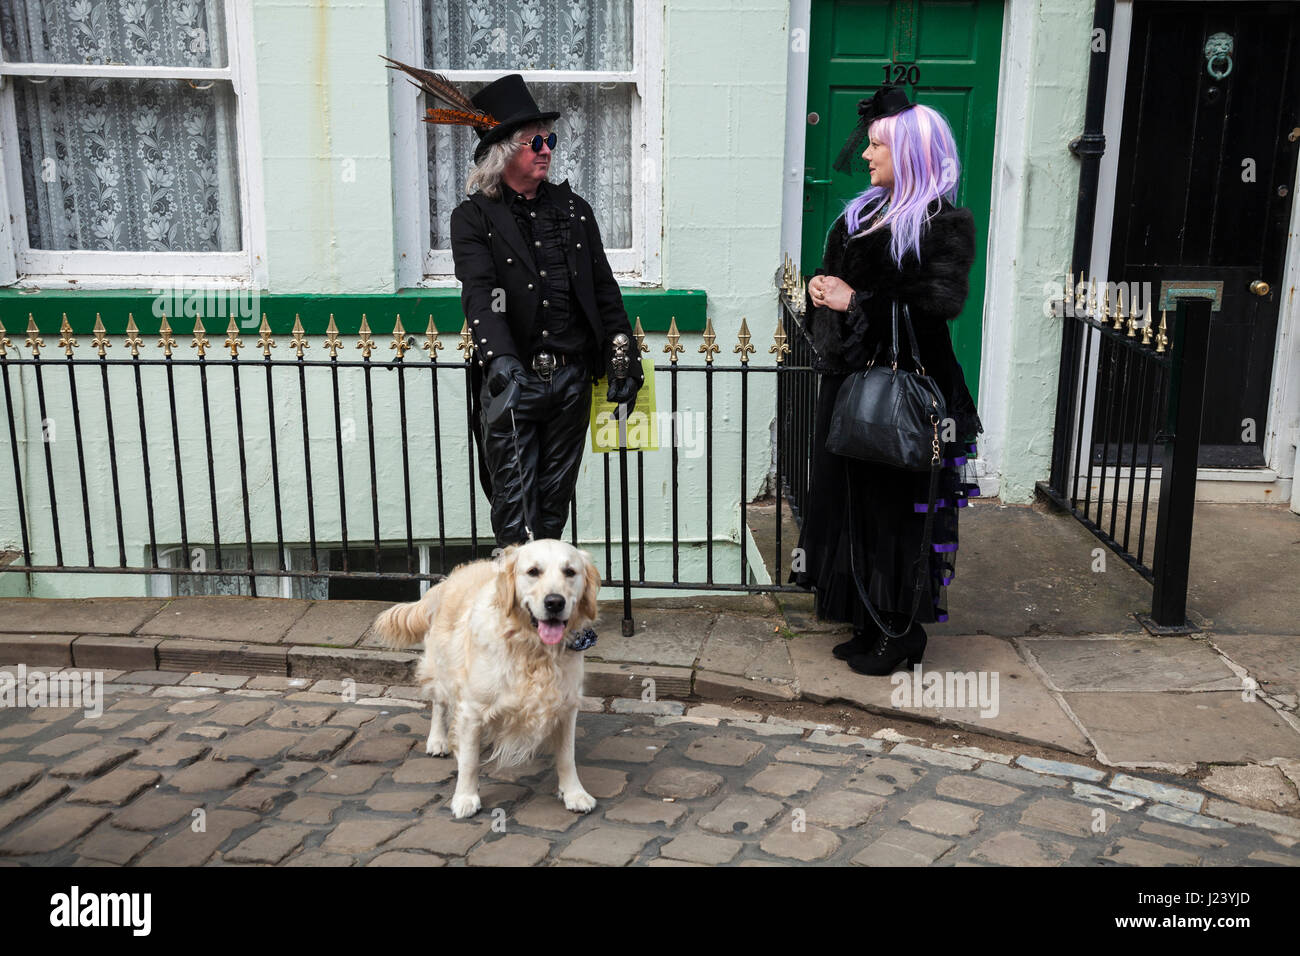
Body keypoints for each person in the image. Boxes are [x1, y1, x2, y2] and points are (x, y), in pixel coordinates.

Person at [409, 70, 642, 546]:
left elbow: (603, 289)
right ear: (502, 152)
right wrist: (502, 361)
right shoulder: (473, 217)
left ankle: (550, 620)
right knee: (514, 514)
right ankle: (515, 617)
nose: (546, 148)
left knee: (554, 510)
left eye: (549, 139)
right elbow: (480, 293)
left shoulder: (574, 210)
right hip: (512, 382)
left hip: (572, 379)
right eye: (534, 140)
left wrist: (624, 355)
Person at [794, 87, 981, 676]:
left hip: (906, 396)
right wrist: (819, 294)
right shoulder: (858, 216)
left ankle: (900, 633)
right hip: (853, 387)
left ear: (913, 156)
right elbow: (837, 294)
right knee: (851, 505)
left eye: (878, 146)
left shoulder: (942, 224)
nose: (866, 154)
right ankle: (866, 619)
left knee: (897, 515)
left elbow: (934, 309)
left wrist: (859, 302)